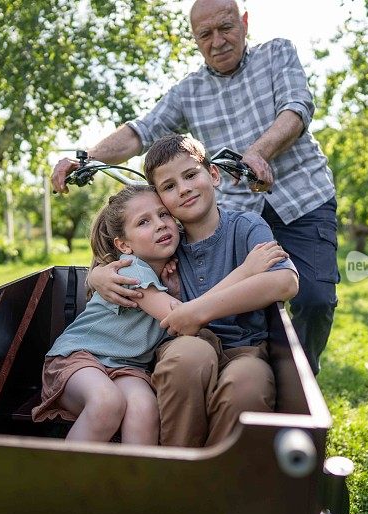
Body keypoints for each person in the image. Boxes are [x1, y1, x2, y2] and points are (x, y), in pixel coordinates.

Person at [50, 0, 339, 375]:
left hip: (303, 200)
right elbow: (142, 131)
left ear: (245, 22)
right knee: (222, 302)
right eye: (205, 34)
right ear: (195, 39)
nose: (218, 41)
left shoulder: (277, 52)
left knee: (315, 298)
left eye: (226, 28)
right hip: (234, 214)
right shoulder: (188, 91)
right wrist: (87, 157)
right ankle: (229, 366)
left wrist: (259, 152)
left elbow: (296, 108)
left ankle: (300, 382)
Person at [33, 183, 289, 444]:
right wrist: (245, 271)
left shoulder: (167, 272)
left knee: (145, 410)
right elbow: (183, 317)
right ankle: (65, 481)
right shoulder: (130, 272)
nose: (159, 224)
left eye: (163, 214)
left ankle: (140, 482)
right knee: (107, 403)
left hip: (126, 369)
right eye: (144, 222)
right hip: (80, 358)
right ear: (124, 245)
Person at [108, 134, 298, 447]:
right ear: (161, 200)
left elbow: (285, 281)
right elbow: (118, 257)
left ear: (212, 174)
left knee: (247, 384)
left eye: (190, 175)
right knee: (187, 357)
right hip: (186, 344)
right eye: (168, 187)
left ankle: (214, 482)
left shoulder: (246, 226)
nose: (183, 189)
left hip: (245, 349)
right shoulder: (165, 241)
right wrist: (98, 276)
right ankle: (177, 470)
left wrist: (196, 310)